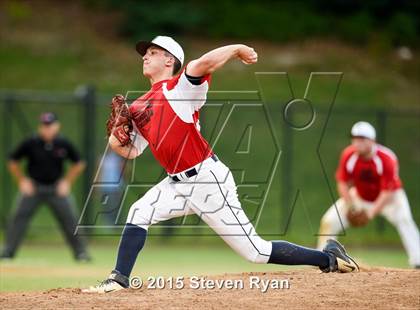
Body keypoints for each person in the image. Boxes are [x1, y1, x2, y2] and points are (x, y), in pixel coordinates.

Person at [83, 36, 358, 293]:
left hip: (206, 180)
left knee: (256, 252)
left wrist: (236, 48)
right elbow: (131, 151)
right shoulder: (138, 106)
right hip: (175, 183)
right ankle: (119, 279)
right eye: (145, 53)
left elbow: (202, 64)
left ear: (170, 61)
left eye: (153, 52)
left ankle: (328, 258)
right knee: (139, 211)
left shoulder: (181, 88)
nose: (145, 56)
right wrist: (115, 135)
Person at [317, 121, 420, 268]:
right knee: (329, 220)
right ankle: (321, 259)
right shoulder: (349, 155)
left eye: (362, 139)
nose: (357, 143)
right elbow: (342, 183)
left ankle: (418, 261)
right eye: (355, 139)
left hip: (391, 198)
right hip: (360, 195)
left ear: (372, 141)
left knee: (405, 221)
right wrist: (351, 205)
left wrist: (371, 213)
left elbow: (387, 191)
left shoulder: (386, 158)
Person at [1, 112, 90, 261]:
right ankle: (7, 252)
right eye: (44, 126)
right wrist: (22, 181)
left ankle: (81, 253)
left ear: (57, 126)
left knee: (70, 219)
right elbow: (12, 161)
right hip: (34, 188)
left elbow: (79, 163)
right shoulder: (31, 142)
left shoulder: (63, 143)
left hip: (56, 189)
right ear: (40, 127)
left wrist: (66, 182)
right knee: (18, 218)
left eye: (50, 125)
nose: (47, 129)